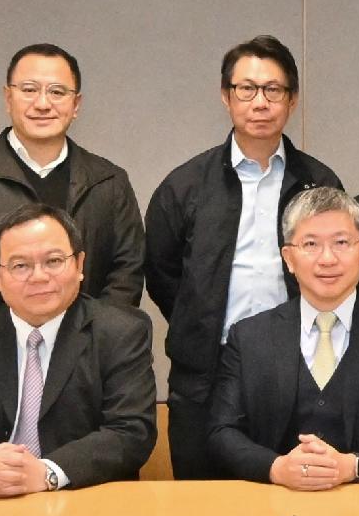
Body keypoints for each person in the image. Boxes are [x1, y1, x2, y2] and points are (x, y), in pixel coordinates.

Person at [147, 35, 345, 480]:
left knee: (297, 501)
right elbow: (160, 271)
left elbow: (341, 266)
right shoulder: (185, 185)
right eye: (247, 89)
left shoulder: (319, 182)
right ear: (225, 96)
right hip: (205, 372)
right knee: (203, 508)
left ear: (291, 101)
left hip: (300, 366)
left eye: (273, 90)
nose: (260, 102)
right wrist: (198, 318)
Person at [0, 204, 158, 496]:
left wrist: (48, 473)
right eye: (20, 266)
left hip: (85, 500)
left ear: (79, 265)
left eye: (53, 261)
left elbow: (130, 432)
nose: (39, 277)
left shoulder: (121, 332)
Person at [208, 186, 359, 489]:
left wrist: (354, 465)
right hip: (272, 509)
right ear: (288, 258)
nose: (327, 259)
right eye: (311, 244)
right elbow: (221, 432)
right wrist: (276, 468)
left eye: (341, 242)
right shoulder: (249, 336)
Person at [0, 43, 146, 322]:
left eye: (57, 92)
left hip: (90, 355)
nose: (42, 103)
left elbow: (127, 272)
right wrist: (2, 340)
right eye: (29, 90)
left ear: (76, 105)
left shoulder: (108, 180)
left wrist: (92, 339)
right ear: (7, 98)